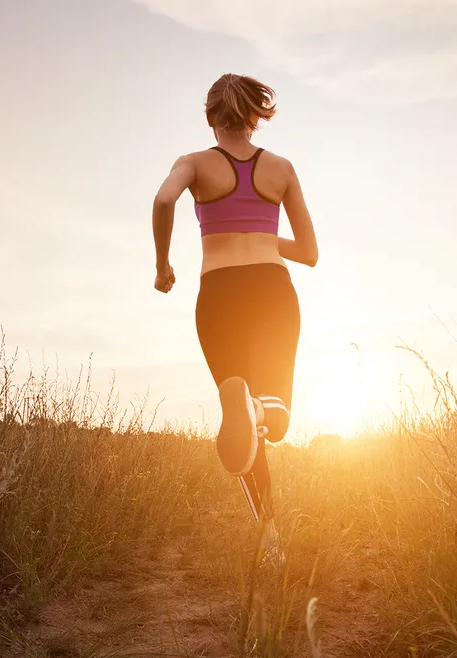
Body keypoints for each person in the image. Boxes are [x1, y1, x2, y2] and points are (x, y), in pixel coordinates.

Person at [151, 73, 318, 555]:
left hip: (218, 295)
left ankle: (270, 538)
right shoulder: (282, 168)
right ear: (254, 117)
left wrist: (163, 266)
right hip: (271, 290)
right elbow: (309, 252)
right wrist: (264, 236)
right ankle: (259, 408)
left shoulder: (194, 163)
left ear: (209, 117)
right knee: (274, 419)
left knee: (246, 431)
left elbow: (164, 199)